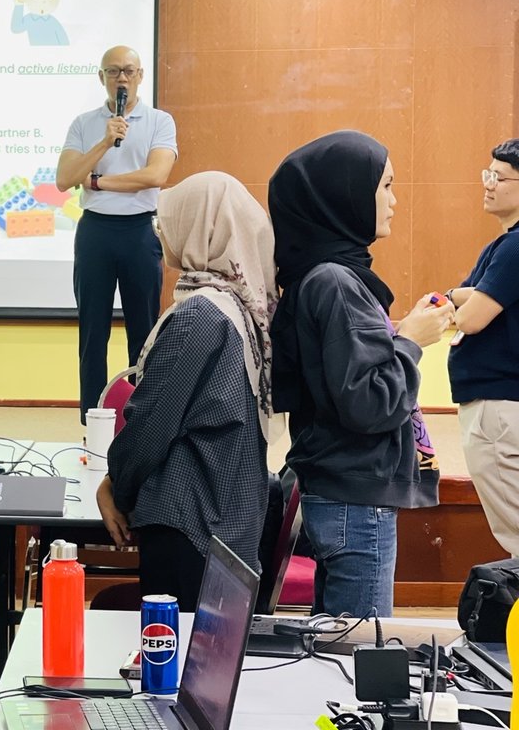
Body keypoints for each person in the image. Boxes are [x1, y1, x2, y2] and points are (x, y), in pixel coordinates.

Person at [268, 130, 453, 618]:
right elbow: (369, 403)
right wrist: (411, 341)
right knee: (359, 651)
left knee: (335, 644)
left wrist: (403, 334)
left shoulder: (326, 275)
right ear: (344, 196)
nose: (394, 201)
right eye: (385, 186)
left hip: (341, 489)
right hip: (354, 495)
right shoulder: (335, 282)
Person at [94, 172, 274, 608]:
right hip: (224, 524)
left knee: (173, 648)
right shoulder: (238, 306)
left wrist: (114, 486)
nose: (161, 231)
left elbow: (150, 424)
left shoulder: (199, 316)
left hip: (190, 525)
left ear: (200, 228)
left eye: (169, 221)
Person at [56, 46, 178, 423]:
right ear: (101, 77)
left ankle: (141, 419)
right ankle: (92, 418)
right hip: (95, 232)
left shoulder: (159, 121)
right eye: (112, 71)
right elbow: (64, 179)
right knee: (93, 332)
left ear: (140, 75)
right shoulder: (84, 124)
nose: (121, 78)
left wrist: (97, 181)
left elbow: (156, 176)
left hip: (140, 231)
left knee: (143, 331)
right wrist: (105, 142)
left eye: (127, 71)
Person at [447, 139, 519, 555]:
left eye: (499, 178)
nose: (488, 184)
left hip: (500, 408)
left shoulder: (515, 246)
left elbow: (470, 318)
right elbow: (468, 296)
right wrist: (462, 296)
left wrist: (456, 299)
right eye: (487, 174)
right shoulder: (502, 245)